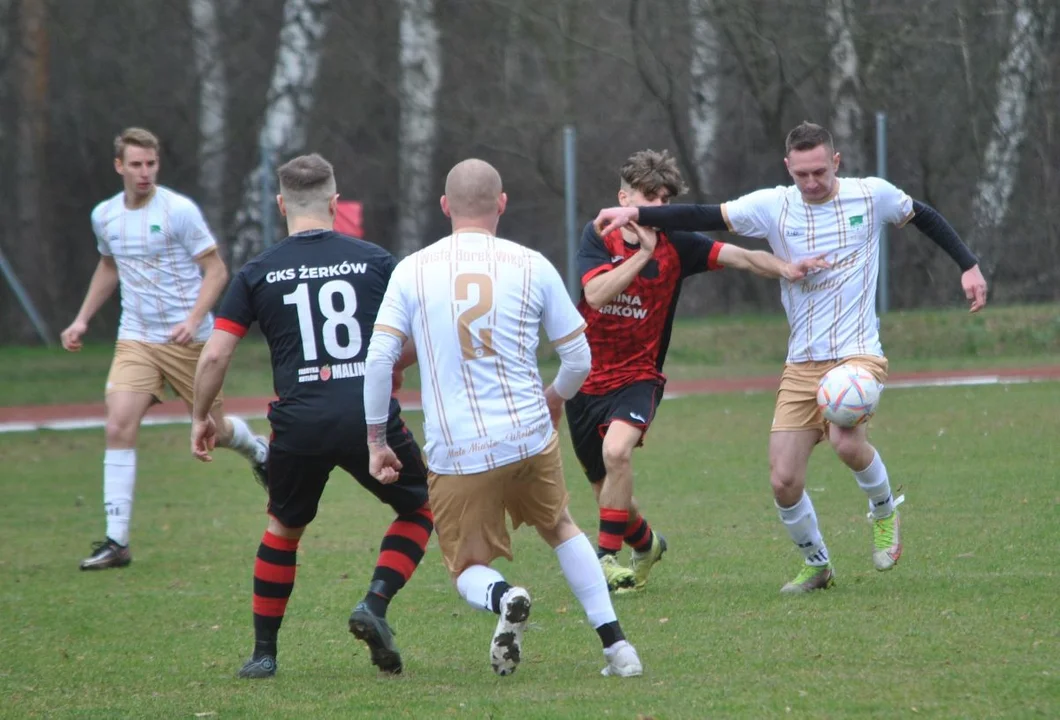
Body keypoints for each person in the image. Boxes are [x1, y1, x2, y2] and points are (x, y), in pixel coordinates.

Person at [594, 122, 988, 594]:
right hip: (802, 362)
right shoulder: (773, 206)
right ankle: (817, 565)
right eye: (801, 173)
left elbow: (923, 215)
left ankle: (884, 511)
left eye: (820, 171)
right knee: (783, 479)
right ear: (788, 168)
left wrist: (968, 265)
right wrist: (632, 212)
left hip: (857, 354)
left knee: (845, 439)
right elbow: (703, 213)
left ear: (836, 162)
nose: (811, 182)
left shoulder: (870, 195)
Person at [363, 158, 643, 678]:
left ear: (445, 206)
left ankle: (504, 596)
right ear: (502, 204)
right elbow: (579, 357)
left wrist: (377, 438)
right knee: (561, 527)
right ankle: (618, 648)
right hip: (529, 435)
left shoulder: (413, 269)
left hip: (459, 449)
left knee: (467, 566)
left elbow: (379, 360)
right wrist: (556, 398)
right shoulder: (532, 264)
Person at [190, 153, 434, 679]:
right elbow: (416, 339)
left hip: (298, 421)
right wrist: (387, 367)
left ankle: (263, 655)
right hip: (365, 415)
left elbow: (214, 355)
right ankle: (373, 603)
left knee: (282, 529)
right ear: (334, 203)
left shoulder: (257, 271)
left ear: (281, 204)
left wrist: (200, 416)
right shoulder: (375, 261)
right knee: (418, 509)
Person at [569, 149, 830, 593]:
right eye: (648, 197)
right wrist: (641, 256)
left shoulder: (679, 244)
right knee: (609, 490)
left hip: (638, 378)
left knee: (617, 454)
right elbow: (595, 294)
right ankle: (647, 544)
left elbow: (743, 258)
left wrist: (786, 267)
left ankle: (606, 560)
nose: (657, 207)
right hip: (585, 382)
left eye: (664, 199)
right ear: (624, 197)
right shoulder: (597, 237)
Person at [60, 127, 268, 571]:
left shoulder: (178, 211)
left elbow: (216, 271)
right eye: (135, 164)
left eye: (150, 164)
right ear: (119, 166)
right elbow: (109, 265)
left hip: (190, 342)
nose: (144, 173)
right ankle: (117, 541)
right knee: (118, 424)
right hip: (136, 337)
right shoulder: (105, 216)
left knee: (214, 429)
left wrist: (193, 320)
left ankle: (257, 450)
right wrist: (81, 318)